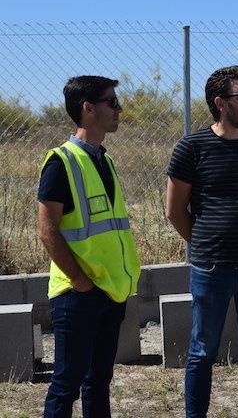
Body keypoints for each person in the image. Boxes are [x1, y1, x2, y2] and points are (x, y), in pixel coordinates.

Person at [165, 65, 238, 418]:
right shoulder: (191, 147)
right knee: (203, 350)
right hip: (210, 270)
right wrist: (207, 243)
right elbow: (175, 211)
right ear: (220, 103)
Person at [38, 76, 141, 417]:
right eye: (111, 102)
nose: (118, 109)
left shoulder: (105, 161)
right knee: (66, 384)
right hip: (77, 293)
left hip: (110, 291)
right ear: (88, 108)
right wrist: (81, 282)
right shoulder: (60, 163)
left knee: (99, 381)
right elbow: (47, 230)